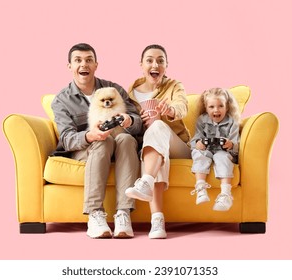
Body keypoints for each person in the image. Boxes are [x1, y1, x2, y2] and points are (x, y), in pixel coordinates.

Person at [51, 43, 142, 239]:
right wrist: (89, 135)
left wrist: (129, 120)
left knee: (126, 138)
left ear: (96, 65)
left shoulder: (114, 89)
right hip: (88, 148)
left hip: (120, 144)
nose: (83, 64)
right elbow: (67, 139)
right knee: (102, 141)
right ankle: (95, 214)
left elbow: (138, 124)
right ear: (70, 66)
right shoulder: (62, 101)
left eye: (88, 60)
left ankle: (123, 214)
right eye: (78, 60)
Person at [125, 44, 191, 239]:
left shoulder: (174, 86)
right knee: (154, 150)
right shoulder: (130, 94)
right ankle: (157, 222)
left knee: (158, 128)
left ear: (166, 65)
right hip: (151, 147)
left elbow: (182, 106)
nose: (155, 64)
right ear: (141, 65)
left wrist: (170, 111)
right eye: (150, 60)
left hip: (178, 145)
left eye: (160, 60)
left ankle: (146, 181)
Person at [190, 88, 241, 211]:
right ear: (206, 108)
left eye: (220, 106)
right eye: (211, 107)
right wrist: (198, 143)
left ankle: (225, 194)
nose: (216, 110)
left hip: (223, 152)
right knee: (199, 153)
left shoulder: (232, 123)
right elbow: (195, 140)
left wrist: (231, 144)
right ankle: (201, 188)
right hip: (206, 150)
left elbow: (236, 145)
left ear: (227, 107)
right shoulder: (202, 120)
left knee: (221, 157)